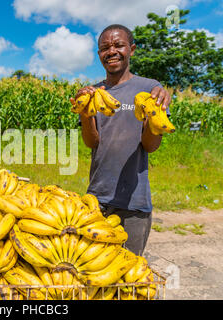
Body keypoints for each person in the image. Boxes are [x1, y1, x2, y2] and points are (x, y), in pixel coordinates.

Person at [70, 24, 172, 256]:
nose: (112, 51)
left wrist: (153, 117)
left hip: (134, 201)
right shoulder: (94, 93)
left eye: (119, 45)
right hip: (97, 197)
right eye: (105, 47)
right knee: (93, 268)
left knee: (129, 274)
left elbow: (150, 146)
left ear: (132, 49)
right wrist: (84, 113)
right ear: (99, 55)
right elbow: (92, 142)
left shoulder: (149, 88)